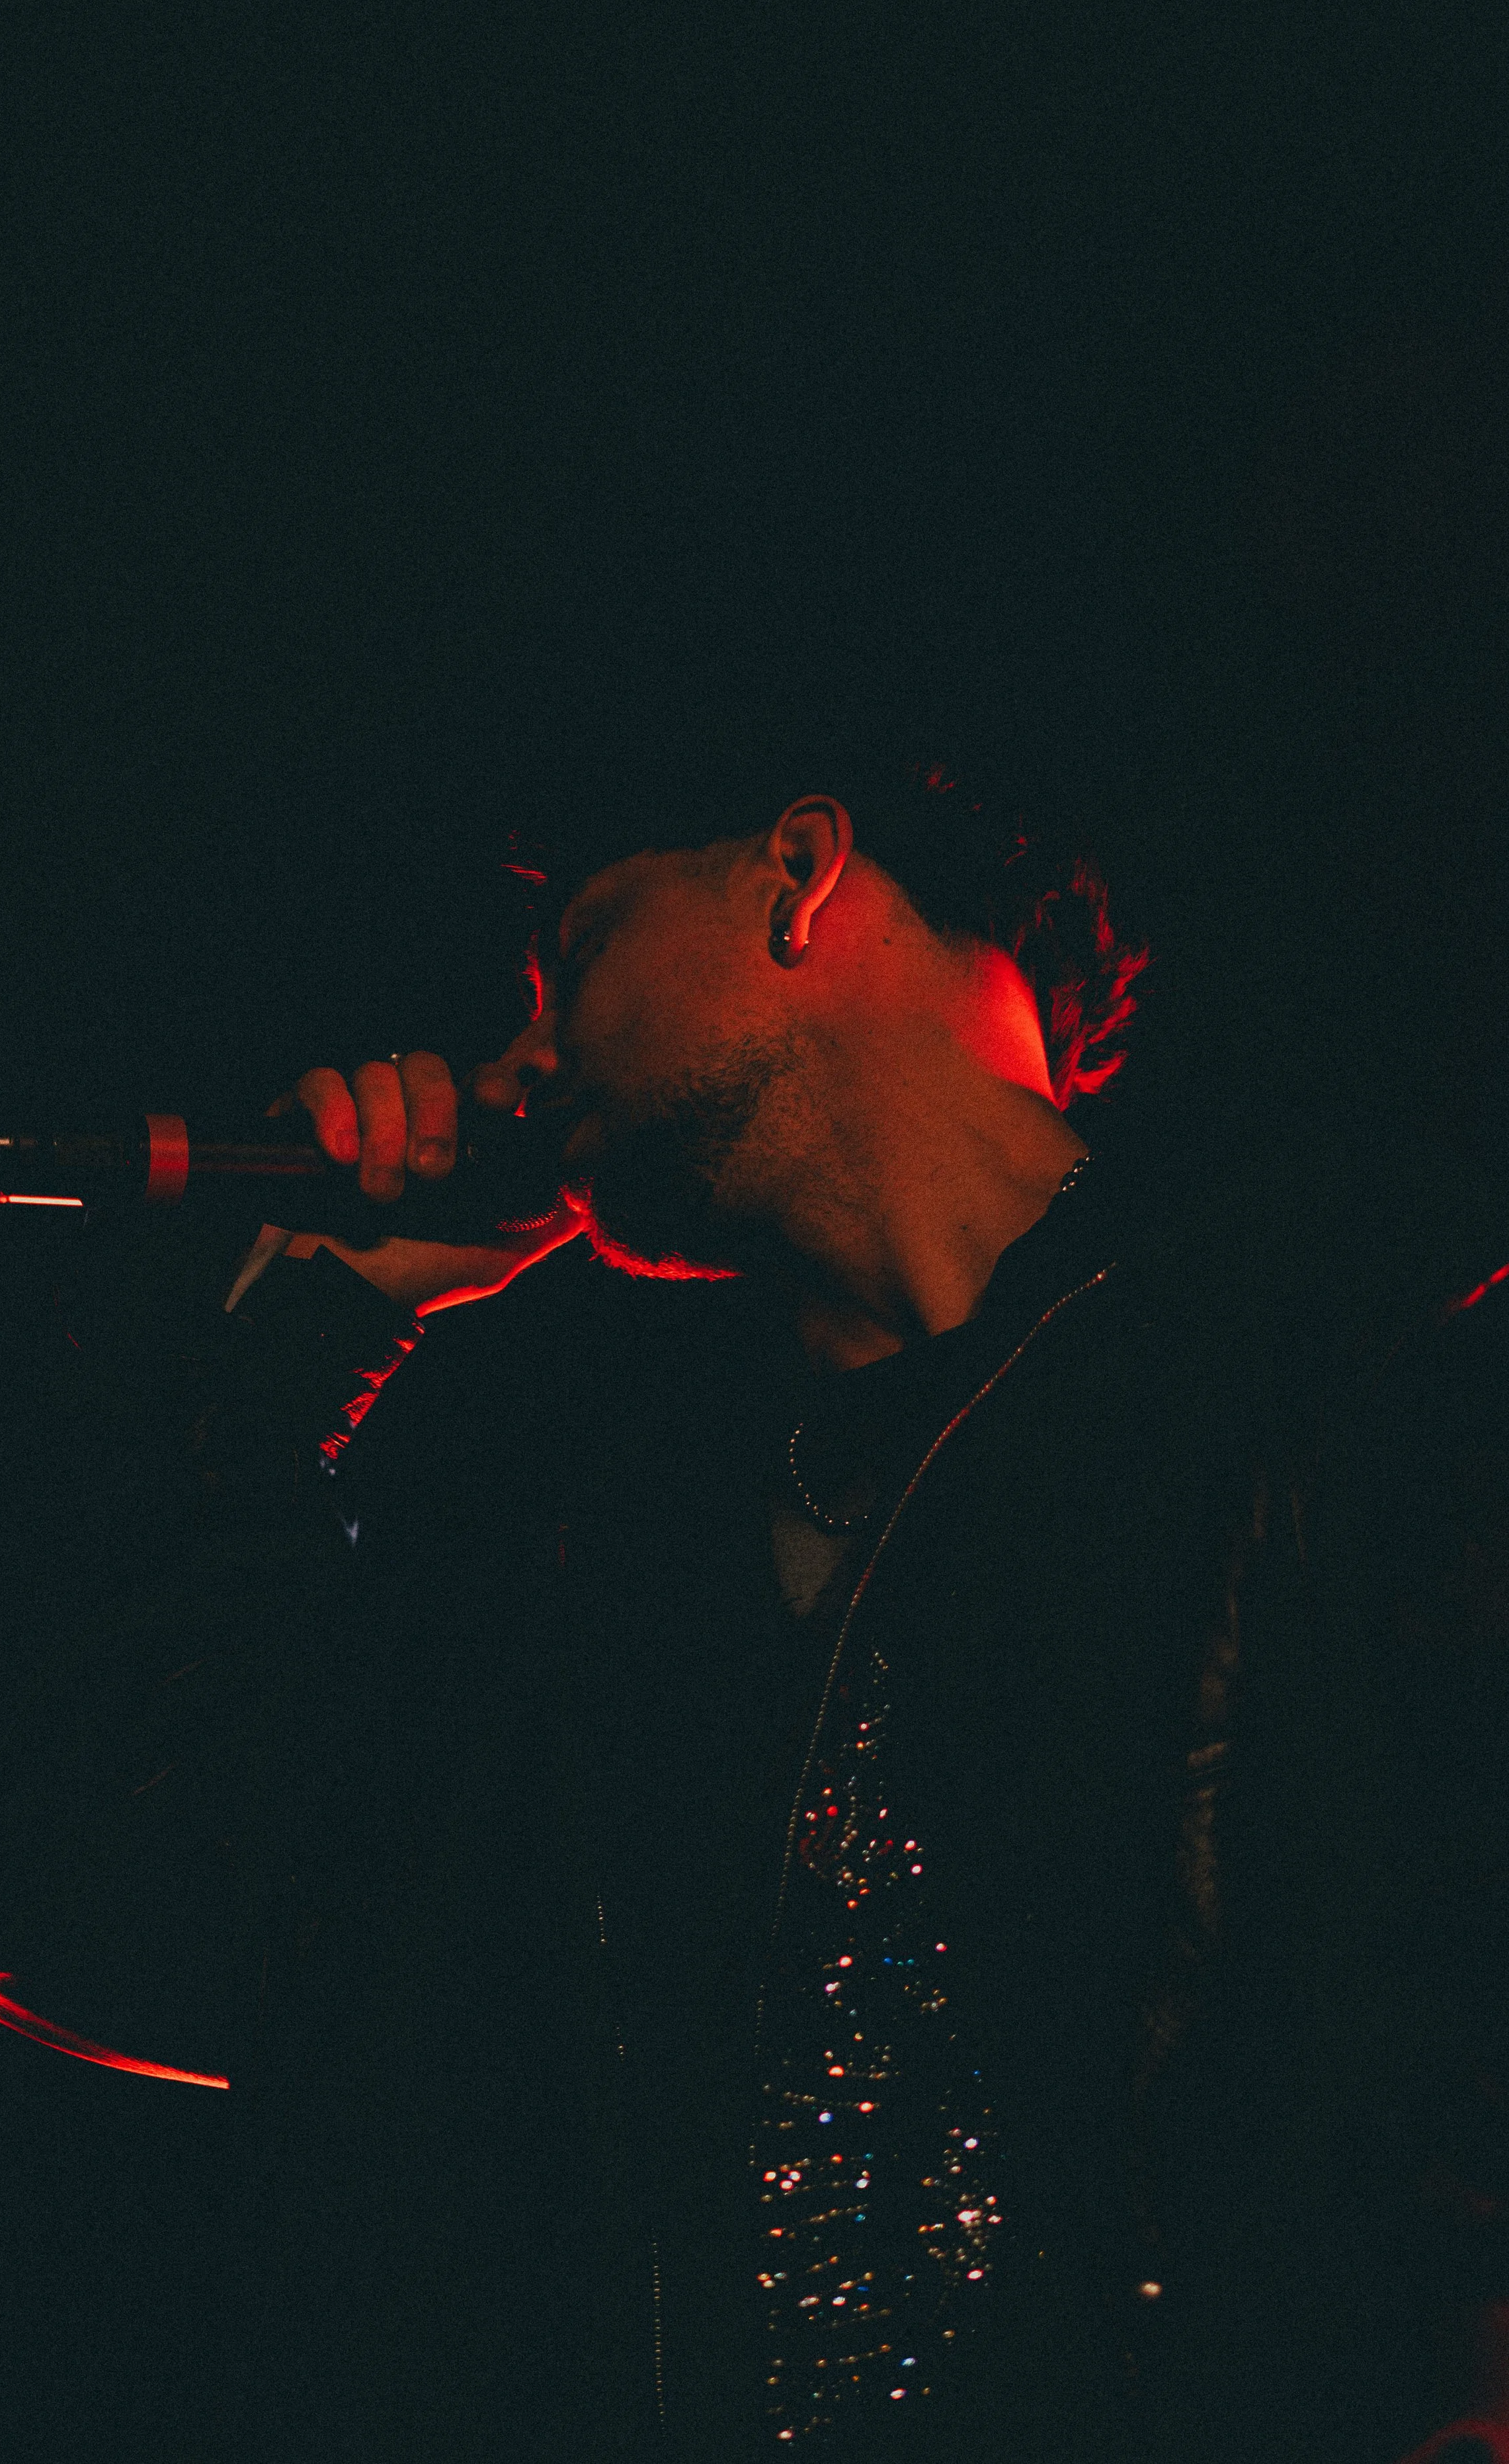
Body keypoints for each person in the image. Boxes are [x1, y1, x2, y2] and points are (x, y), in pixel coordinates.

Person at [235, 765, 1509, 2463]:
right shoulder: (601, 1558)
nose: (522, 1059)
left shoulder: (1352, 1320)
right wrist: (306, 1331)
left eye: (581, 947)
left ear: (801, 873)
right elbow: (140, 1916)